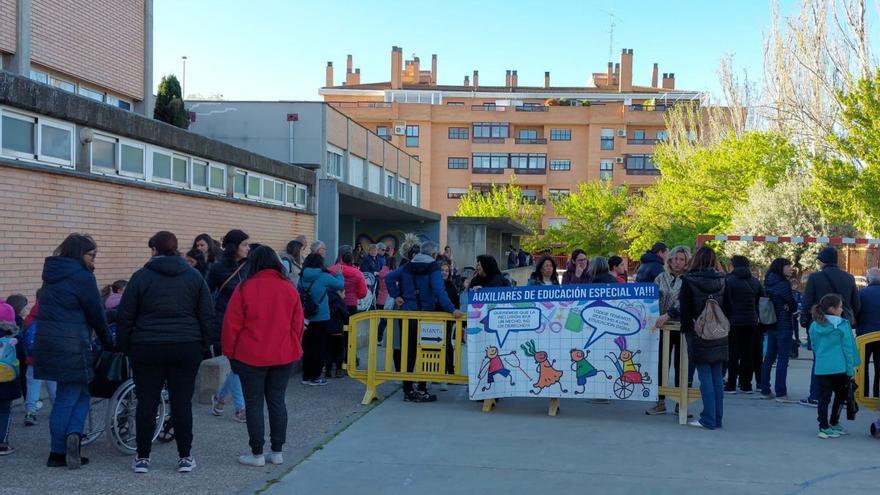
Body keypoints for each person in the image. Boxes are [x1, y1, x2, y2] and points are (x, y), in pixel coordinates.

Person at [116, 231, 214, 474]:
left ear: (154, 250)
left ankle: (142, 457)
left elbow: (126, 315)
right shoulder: (193, 276)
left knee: (147, 402)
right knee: (182, 403)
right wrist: (203, 344)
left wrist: (126, 345)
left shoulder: (140, 277)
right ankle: (184, 456)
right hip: (186, 346)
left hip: (147, 347)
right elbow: (206, 314)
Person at [34, 233, 114, 468]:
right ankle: (64, 446)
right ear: (79, 254)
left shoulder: (51, 275)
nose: (94, 260)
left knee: (69, 395)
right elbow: (97, 314)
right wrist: (109, 342)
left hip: (49, 343)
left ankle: (67, 442)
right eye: (91, 255)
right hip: (73, 344)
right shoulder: (82, 277)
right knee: (73, 395)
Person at [222, 246, 304, 467]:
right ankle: (277, 451)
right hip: (284, 353)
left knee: (254, 404)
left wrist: (230, 353)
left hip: (250, 355)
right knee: (277, 401)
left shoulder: (244, 288)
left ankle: (257, 454)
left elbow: (232, 326)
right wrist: (293, 344)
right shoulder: (288, 288)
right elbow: (297, 324)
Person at [386, 241, 464, 402]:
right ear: (434, 254)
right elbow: (439, 291)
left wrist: (397, 296)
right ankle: (422, 388)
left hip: (407, 314)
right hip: (426, 316)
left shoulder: (408, 266)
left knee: (408, 352)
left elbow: (389, 278)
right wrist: (452, 309)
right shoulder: (433, 268)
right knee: (425, 350)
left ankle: (407, 389)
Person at [799, 247, 860, 407]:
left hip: (820, 323)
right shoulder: (849, 277)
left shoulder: (815, 277)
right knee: (844, 358)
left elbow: (806, 302)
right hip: (842, 323)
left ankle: (815, 396)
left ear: (823, 261)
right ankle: (844, 396)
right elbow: (856, 304)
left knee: (820, 358)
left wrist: (808, 316)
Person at [679, 245, 726, 430]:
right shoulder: (723, 280)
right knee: (716, 375)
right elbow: (728, 306)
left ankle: (708, 418)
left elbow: (685, 309)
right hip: (719, 331)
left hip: (698, 331)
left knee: (704, 374)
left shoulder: (689, 280)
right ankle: (717, 418)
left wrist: (686, 328)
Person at [206, 229, 250, 423]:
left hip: (247, 321)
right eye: (244, 245)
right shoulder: (217, 268)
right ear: (235, 247)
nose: (248, 248)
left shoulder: (249, 266)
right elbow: (206, 294)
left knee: (238, 364)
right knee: (237, 364)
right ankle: (241, 408)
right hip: (225, 320)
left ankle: (220, 398)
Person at [647, 245, 691, 416]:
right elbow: (651, 298)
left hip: (682, 326)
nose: (678, 262)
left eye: (682, 259)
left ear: (686, 262)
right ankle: (660, 401)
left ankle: (681, 403)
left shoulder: (689, 279)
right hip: (661, 327)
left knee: (682, 365)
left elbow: (684, 301)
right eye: (675, 259)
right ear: (670, 260)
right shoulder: (660, 277)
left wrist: (670, 314)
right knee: (661, 364)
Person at [809, 293, 859, 438]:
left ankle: (823, 427)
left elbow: (814, 345)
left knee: (823, 398)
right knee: (840, 396)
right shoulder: (842, 325)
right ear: (832, 308)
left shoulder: (814, 325)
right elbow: (848, 349)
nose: (842, 310)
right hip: (840, 368)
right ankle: (834, 422)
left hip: (821, 367)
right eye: (840, 307)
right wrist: (850, 370)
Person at [299, 253, 345, 386]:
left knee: (307, 347)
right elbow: (340, 285)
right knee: (319, 348)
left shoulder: (302, 277)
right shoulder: (323, 276)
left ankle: (306, 376)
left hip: (306, 317)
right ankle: (316, 376)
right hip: (321, 316)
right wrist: (339, 274)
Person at [722, 256, 763, 394]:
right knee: (748, 354)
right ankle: (746, 384)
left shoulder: (729, 281)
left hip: (733, 322)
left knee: (732, 354)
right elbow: (761, 301)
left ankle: (731, 384)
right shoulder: (755, 282)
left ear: (733, 265)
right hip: (751, 322)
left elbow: (724, 301)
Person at [761, 258, 798, 402]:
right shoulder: (783, 284)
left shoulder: (768, 281)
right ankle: (781, 393)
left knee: (769, 358)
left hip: (771, 323)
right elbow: (793, 305)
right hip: (783, 324)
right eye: (788, 266)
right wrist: (789, 306)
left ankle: (765, 390)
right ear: (781, 267)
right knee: (782, 360)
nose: (790, 268)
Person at [0, 302, 26, 455]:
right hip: (8, 382)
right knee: (4, 411)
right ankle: (2, 443)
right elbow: (22, 359)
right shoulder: (15, 338)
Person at [856, 267, 880, 398]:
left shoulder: (862, 293)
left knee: (862, 367)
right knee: (879, 368)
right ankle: (877, 395)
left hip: (864, 335)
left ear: (868, 279)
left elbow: (856, 312)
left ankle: (863, 394)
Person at [438, 259, 461, 387]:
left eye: (446, 271)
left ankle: (450, 372)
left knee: (447, 345)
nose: (444, 273)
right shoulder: (434, 285)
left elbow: (456, 304)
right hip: (433, 320)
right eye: (442, 270)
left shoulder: (451, 286)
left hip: (447, 320)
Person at [376, 257, 398, 344]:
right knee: (388, 321)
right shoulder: (393, 274)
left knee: (382, 321)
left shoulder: (381, 272)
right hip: (389, 300)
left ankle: (379, 339)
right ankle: (385, 339)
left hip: (380, 300)